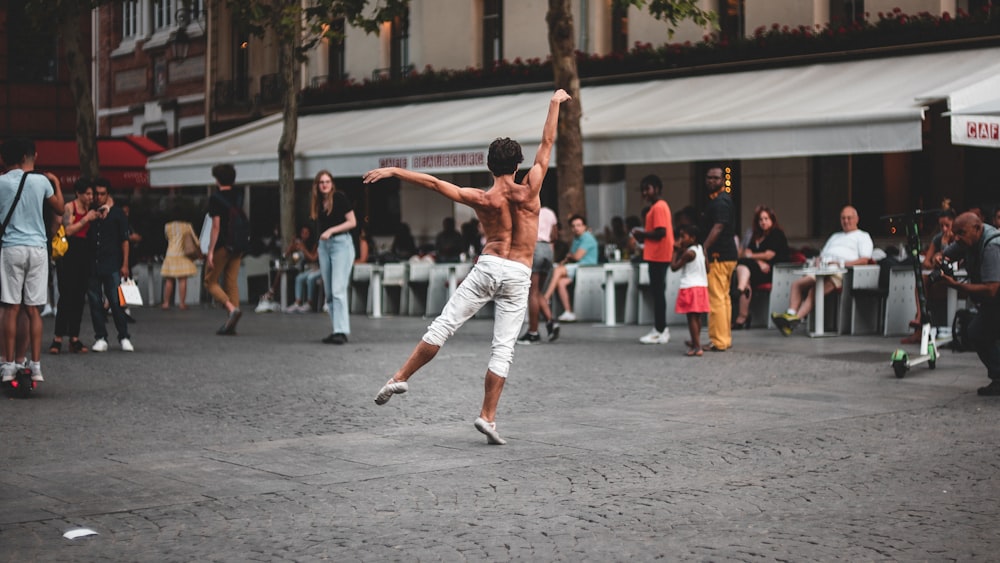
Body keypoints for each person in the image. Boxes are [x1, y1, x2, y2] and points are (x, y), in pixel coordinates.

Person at [364, 89, 570, 446]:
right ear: (518, 165)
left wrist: (395, 170)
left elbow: (433, 183)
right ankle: (487, 417)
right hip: (519, 272)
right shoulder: (532, 189)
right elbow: (548, 139)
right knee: (502, 348)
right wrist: (554, 103)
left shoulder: (482, 198)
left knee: (444, 325)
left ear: (489, 167)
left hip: (488, 265)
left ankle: (400, 375)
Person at [0, 138, 65, 382]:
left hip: (12, 247)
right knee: (33, 310)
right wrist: (56, 183)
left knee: (10, 307)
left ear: (4, 159)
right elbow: (59, 208)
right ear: (31, 156)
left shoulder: (1, 182)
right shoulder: (41, 181)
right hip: (37, 249)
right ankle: (35, 365)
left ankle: (7, 366)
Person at [772, 205, 874, 335]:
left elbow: (864, 260)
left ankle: (794, 321)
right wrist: (818, 260)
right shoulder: (835, 236)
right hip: (822, 268)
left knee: (814, 291)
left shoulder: (863, 236)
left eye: (849, 218)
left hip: (841, 272)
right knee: (797, 284)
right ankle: (790, 314)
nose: (846, 221)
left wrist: (840, 263)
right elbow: (822, 254)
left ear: (857, 219)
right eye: (843, 218)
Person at [935, 212, 1000, 395]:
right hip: (993, 303)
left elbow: (991, 289)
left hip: (995, 298)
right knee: (977, 332)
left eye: (961, 232)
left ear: (977, 228)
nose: (957, 237)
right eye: (956, 233)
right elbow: (945, 254)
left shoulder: (992, 246)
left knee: (979, 331)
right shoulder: (966, 240)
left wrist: (955, 285)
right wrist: (940, 258)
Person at [50, 178, 99, 354]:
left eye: (92, 194)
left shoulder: (92, 209)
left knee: (79, 296)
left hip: (85, 253)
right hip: (70, 253)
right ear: (78, 193)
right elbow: (68, 230)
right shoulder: (70, 208)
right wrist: (86, 218)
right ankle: (58, 337)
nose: (90, 197)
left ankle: (74, 337)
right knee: (66, 294)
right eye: (87, 193)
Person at [86, 178, 133, 353]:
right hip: (94, 263)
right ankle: (101, 336)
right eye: (96, 194)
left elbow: (124, 240)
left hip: (112, 262)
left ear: (108, 194)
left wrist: (125, 264)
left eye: (102, 194)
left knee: (115, 301)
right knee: (95, 302)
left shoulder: (118, 214)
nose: (98, 197)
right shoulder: (91, 212)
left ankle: (124, 335)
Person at [312, 170, 357, 344]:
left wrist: (331, 230)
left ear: (332, 184)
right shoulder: (317, 202)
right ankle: (336, 329)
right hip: (325, 246)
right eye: (321, 182)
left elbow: (352, 222)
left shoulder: (339, 198)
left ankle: (341, 331)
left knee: (338, 289)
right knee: (329, 292)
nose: (324, 185)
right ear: (317, 185)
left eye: (327, 181)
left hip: (341, 245)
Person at [631, 174, 674, 344]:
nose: (644, 193)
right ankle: (660, 328)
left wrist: (642, 233)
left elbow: (660, 232)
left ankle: (661, 329)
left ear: (656, 189)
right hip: (656, 254)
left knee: (658, 293)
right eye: (643, 189)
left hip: (659, 255)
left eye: (647, 188)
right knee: (657, 293)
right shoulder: (657, 207)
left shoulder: (659, 207)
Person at [700, 165, 739, 351]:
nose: (711, 181)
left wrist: (704, 248)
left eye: (716, 178)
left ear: (723, 180)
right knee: (724, 299)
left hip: (719, 257)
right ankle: (724, 339)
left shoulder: (721, 202)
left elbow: (718, 227)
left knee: (716, 299)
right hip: (727, 256)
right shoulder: (722, 200)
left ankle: (718, 341)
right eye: (709, 177)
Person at [732, 205, 789, 329]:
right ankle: (742, 314)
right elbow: (744, 253)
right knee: (745, 274)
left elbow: (769, 255)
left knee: (745, 265)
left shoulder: (777, 234)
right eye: (760, 219)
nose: (763, 222)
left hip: (772, 271)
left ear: (772, 220)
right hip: (756, 269)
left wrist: (753, 257)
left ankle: (739, 292)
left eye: (766, 219)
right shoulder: (756, 236)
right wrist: (758, 261)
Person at [204, 163, 244, 335]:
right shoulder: (239, 194)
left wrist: (211, 250)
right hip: (238, 243)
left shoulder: (216, 198)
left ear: (217, 179)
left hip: (223, 244)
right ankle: (231, 322)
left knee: (210, 281)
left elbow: (216, 227)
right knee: (231, 281)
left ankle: (231, 309)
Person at [541, 214, 598, 323]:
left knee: (558, 270)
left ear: (584, 226)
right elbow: (572, 256)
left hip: (586, 268)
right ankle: (569, 311)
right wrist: (567, 258)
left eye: (579, 225)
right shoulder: (577, 238)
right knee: (561, 282)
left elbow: (577, 256)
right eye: (573, 226)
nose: (576, 228)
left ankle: (546, 298)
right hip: (577, 268)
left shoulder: (587, 238)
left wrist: (569, 257)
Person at [517, 205, 557, 344]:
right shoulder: (549, 212)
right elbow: (555, 235)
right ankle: (550, 321)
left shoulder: (524, 210)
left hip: (534, 247)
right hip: (547, 249)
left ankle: (533, 332)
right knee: (539, 291)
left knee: (532, 292)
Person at [671, 224, 709, 357]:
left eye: (683, 237)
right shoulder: (701, 249)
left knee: (691, 318)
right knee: (697, 317)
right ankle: (695, 342)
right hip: (701, 286)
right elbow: (708, 268)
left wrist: (675, 251)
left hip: (690, 287)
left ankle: (697, 346)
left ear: (692, 238)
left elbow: (674, 267)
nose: (680, 239)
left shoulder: (688, 253)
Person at [160, 211, 201, 310]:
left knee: (169, 280)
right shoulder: (187, 226)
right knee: (182, 280)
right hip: (182, 255)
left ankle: (166, 303)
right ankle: (182, 303)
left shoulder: (167, 226)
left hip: (170, 254)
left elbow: (167, 238)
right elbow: (196, 240)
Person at [285, 225, 321, 313]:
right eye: (302, 233)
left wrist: (304, 249)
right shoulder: (300, 243)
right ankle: (297, 303)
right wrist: (291, 244)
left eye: (307, 233)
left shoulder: (316, 244)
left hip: (317, 268)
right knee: (299, 278)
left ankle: (309, 303)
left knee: (310, 278)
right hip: (306, 269)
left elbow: (313, 258)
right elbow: (286, 255)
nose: (304, 235)